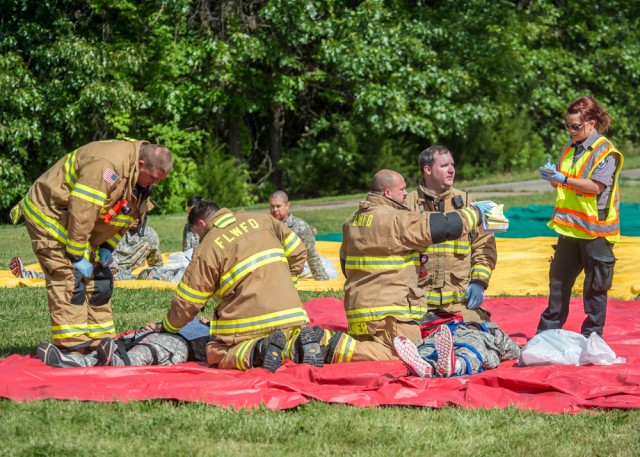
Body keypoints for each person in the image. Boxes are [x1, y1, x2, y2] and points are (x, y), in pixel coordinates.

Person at [154, 199, 356, 372]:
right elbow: (298, 250)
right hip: (292, 315)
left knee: (216, 352)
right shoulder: (262, 219)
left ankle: (259, 350)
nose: (199, 237)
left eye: (198, 232)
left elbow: (186, 303)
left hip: (249, 325)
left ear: (201, 223)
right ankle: (298, 347)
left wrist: (167, 327)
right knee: (286, 338)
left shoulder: (208, 247)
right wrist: (290, 282)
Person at [16, 139, 173, 353]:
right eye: (153, 178)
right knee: (69, 277)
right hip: (51, 217)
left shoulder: (136, 178)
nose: (154, 184)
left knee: (100, 280)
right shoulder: (107, 165)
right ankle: (71, 345)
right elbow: (83, 210)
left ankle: (101, 341)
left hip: (80, 227)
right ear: (141, 163)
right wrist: (76, 254)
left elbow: (125, 218)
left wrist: (108, 246)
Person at [339, 169, 496, 362]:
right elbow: (443, 226)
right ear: (387, 193)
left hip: (357, 312)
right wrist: (476, 213)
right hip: (391, 315)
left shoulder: (351, 221)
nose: (405, 193)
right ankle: (329, 344)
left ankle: (338, 346)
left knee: (371, 351)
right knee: (408, 355)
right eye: (402, 189)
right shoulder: (395, 219)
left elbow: (346, 264)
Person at [537, 96, 623, 337]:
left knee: (595, 288)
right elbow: (564, 184)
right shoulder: (570, 146)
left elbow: (596, 187)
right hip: (570, 230)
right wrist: (553, 177)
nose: (570, 131)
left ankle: (592, 338)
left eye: (575, 126)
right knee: (558, 284)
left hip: (596, 231)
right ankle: (546, 335)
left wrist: (563, 179)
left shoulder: (606, 152)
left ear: (591, 123)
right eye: (568, 125)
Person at [405, 145, 498, 322]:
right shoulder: (407, 204)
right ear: (427, 170)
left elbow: (484, 247)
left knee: (482, 339)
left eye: (452, 165)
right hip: (417, 306)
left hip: (459, 306)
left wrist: (479, 282)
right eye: (444, 165)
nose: (451, 170)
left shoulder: (467, 202)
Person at [10, 219, 164, 281]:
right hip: (100, 263)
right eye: (133, 214)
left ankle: (28, 274)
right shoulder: (113, 229)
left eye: (139, 215)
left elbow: (157, 264)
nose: (136, 218)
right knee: (69, 270)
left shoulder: (150, 236)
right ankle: (28, 274)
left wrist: (150, 274)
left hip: (121, 273)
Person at [36, 317, 210, 368]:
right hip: (163, 332)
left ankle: (116, 362)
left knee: (147, 350)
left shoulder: (218, 333)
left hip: (181, 344)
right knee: (125, 341)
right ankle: (77, 361)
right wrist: (157, 326)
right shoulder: (198, 320)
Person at [393, 320, 521, 378]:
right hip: (470, 338)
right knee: (472, 354)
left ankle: (427, 365)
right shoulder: (489, 331)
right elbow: (513, 349)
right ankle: (453, 365)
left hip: (447, 337)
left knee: (428, 349)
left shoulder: (448, 326)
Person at [269, 190, 330, 281]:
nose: (275, 210)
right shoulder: (267, 225)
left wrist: (321, 280)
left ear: (287, 206)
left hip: (298, 267)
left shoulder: (300, 226)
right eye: (272, 206)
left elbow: (311, 254)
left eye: (278, 206)